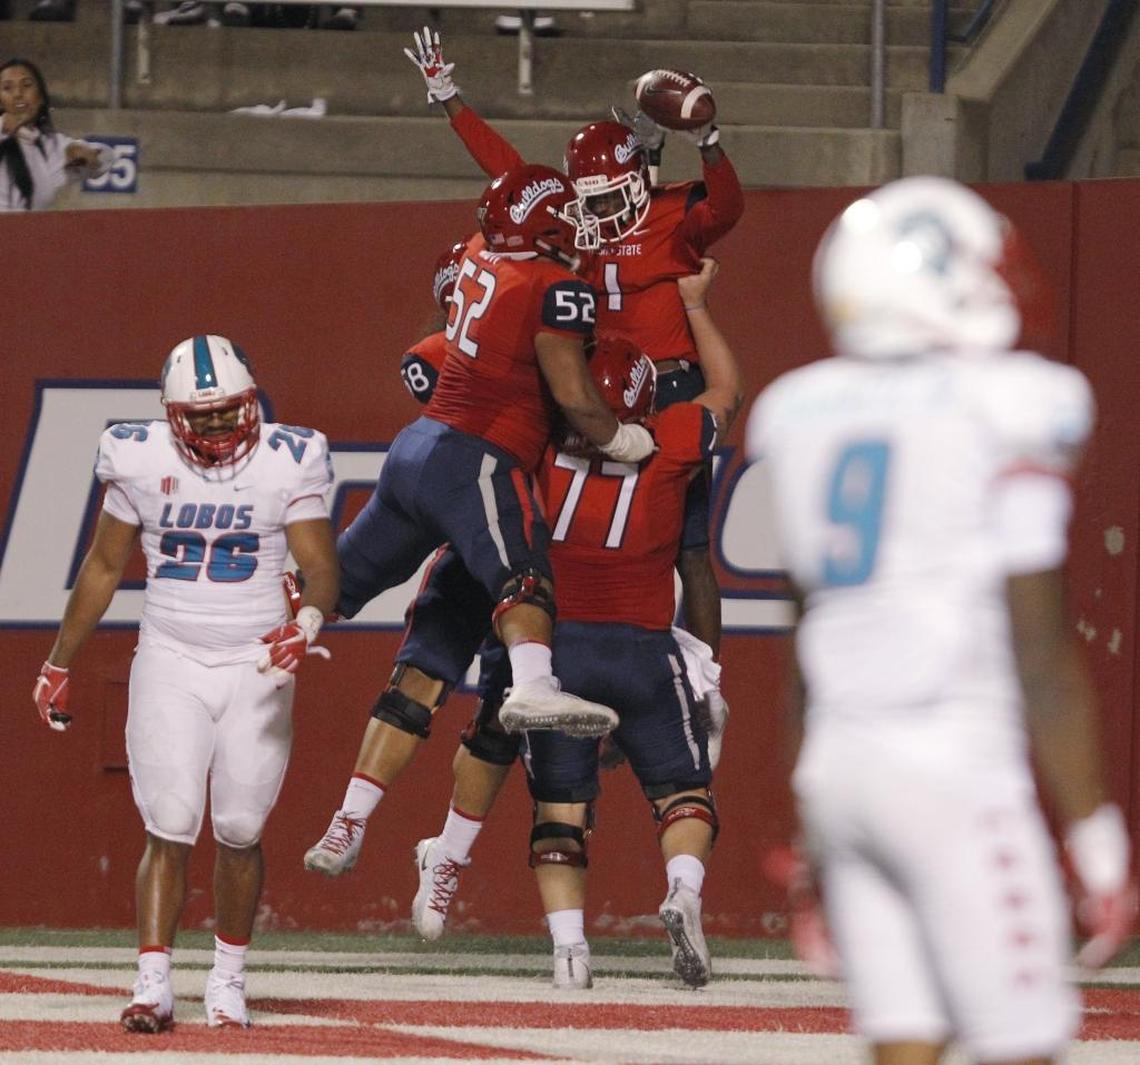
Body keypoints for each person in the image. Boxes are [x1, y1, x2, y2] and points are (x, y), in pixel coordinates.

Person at [746, 176, 1138, 1065]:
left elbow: (805, 653)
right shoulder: (1010, 403)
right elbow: (1039, 650)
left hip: (841, 771)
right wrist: (1095, 832)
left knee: (905, 1040)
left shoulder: (793, 414)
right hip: (954, 769)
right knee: (1022, 1042)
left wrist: (807, 822)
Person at [306, 163, 655, 882]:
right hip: (481, 464)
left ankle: (271, 645)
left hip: (417, 452)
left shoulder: (476, 250)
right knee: (524, 579)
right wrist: (619, 436)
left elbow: (440, 352)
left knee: (333, 590)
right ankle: (533, 681)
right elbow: (573, 394)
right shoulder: (556, 290)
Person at [403, 27, 744, 664]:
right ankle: (544, 662)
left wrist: (709, 143)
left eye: (614, 196)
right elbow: (508, 171)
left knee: (686, 548)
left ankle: (700, 679)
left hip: (665, 384)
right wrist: (449, 99)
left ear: (641, 178)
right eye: (591, 200)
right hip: (587, 385)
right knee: (554, 533)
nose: (602, 212)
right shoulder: (572, 215)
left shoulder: (674, 215)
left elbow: (727, 206)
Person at [32, 335, 339, 1033]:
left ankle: (228, 979)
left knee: (239, 826)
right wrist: (58, 661)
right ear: (169, 415)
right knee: (169, 822)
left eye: (228, 412)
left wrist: (310, 620)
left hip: (257, 660)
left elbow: (320, 560)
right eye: (199, 418)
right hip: (171, 653)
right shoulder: (138, 458)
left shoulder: (288, 458)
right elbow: (104, 567)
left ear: (252, 401)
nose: (217, 428)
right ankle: (153, 983)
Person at [520, 257, 741, 989]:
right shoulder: (674, 441)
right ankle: (682, 891)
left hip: (561, 650)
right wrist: (697, 307)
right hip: (645, 650)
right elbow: (726, 393)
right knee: (685, 791)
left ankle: (569, 952)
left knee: (561, 808)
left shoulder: (542, 445)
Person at [0, 58, 111, 210]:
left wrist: (84, 152)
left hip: (27, 231)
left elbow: (106, 158)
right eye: (7, 88)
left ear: (40, 97)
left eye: (26, 85)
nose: (18, 93)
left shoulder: (49, 146)